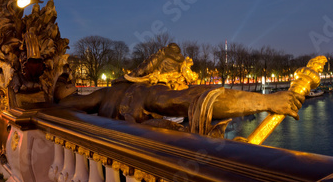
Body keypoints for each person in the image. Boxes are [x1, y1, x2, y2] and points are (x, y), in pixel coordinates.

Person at [59, 44, 306, 133]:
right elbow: (200, 99)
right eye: (181, 79)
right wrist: (267, 101)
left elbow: (64, 104)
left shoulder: (107, 93)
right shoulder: (151, 93)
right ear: (169, 75)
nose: (184, 84)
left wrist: (61, 84)